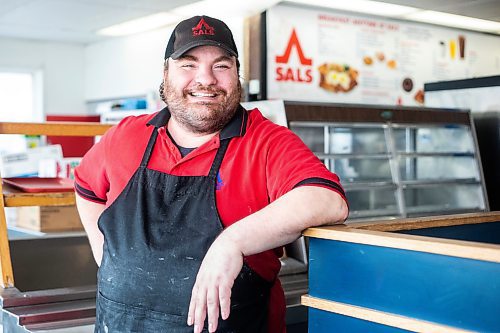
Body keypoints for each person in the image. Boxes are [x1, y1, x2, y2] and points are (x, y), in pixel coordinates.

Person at [74, 15, 348, 333]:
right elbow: (85, 187)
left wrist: (231, 242)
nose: (206, 79)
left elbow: (329, 201)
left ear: (237, 75)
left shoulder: (266, 141)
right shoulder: (127, 135)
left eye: (221, 65)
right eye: (188, 65)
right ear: (165, 74)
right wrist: (105, 253)